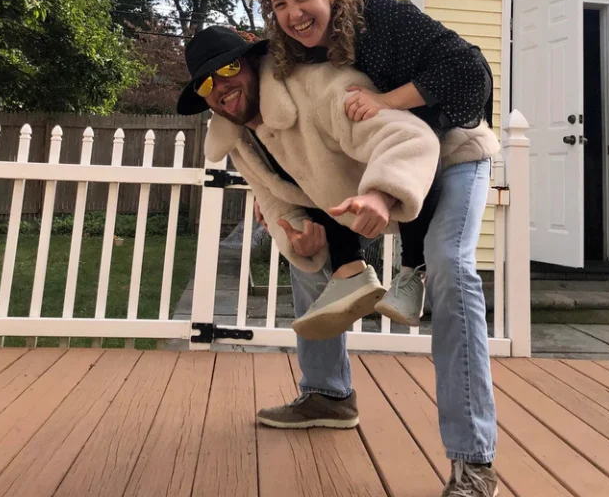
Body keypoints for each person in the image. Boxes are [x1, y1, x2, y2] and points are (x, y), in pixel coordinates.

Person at [249, 0, 501, 497]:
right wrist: (284, 203)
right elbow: (289, 131)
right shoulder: (290, 56)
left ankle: (473, 464)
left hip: (454, 153)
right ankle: (327, 393)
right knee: (307, 243)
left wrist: (387, 101)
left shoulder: (379, 17)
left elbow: (470, 71)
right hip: (378, 166)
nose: (293, 13)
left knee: (449, 265)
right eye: (279, 4)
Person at [176, 25, 441, 344]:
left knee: (453, 266)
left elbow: (410, 139)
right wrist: (298, 238)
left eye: (229, 68)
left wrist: (382, 194)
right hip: (353, 193)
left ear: (253, 62)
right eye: (206, 84)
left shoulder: (318, 89)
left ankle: (414, 271)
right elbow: (273, 199)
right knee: (305, 260)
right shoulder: (240, 140)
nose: (220, 85)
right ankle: (349, 275)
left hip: (438, 164)